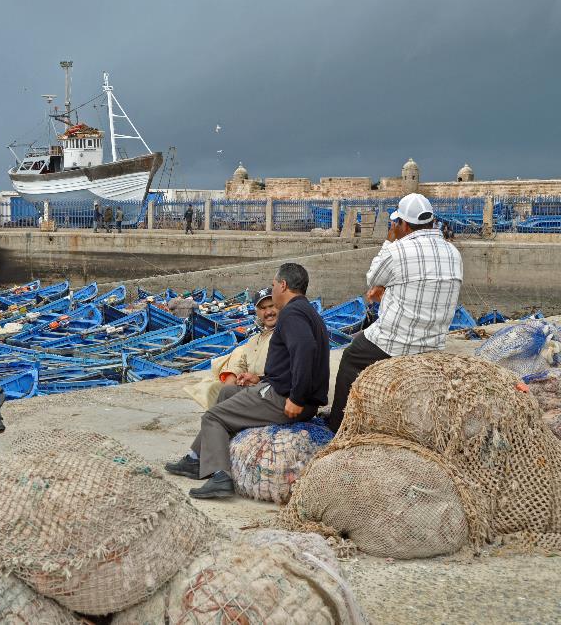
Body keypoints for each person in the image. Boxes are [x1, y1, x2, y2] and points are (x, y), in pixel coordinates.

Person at [165, 263, 329, 499]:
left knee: (213, 417)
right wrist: (260, 379)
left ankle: (221, 476)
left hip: (284, 399)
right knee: (225, 394)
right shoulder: (307, 311)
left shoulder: (292, 313)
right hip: (282, 391)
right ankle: (195, 459)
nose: (272, 292)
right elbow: (296, 361)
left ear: (283, 285)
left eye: (273, 286)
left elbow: (304, 350)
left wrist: (296, 397)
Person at [327, 193, 463, 432]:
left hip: (396, 343)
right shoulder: (452, 252)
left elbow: (373, 278)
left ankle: (338, 425)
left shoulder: (397, 250)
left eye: (396, 223)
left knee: (350, 358)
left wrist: (389, 241)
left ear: (403, 224)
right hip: (433, 342)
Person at [185, 288, 278, 409]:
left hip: (269, 389)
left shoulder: (285, 334)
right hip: (249, 386)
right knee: (211, 389)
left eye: (272, 306)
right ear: (257, 312)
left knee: (225, 395)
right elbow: (241, 359)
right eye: (263, 308)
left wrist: (258, 380)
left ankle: (222, 420)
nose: (269, 312)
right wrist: (233, 376)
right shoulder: (253, 340)